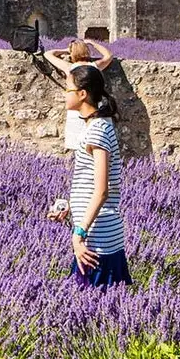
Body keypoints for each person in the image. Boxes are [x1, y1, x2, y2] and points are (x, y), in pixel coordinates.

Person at [46, 64, 131, 288]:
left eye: (68, 89)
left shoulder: (98, 130)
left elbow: (102, 191)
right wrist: (70, 209)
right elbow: (89, 184)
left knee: (95, 308)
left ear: (82, 94)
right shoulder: (95, 126)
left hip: (98, 239)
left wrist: (78, 233)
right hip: (94, 233)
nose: (64, 94)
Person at [42, 38, 114, 153]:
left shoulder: (70, 68)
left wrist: (66, 50)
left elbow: (48, 54)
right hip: (94, 107)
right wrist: (92, 43)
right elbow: (109, 55)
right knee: (96, 141)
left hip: (76, 110)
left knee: (77, 147)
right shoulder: (95, 66)